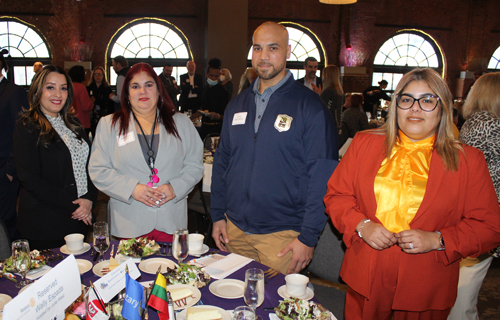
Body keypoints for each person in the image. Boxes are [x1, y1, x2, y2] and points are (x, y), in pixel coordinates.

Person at [324, 68, 500, 319]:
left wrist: (438, 240)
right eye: (407, 99)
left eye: (428, 100)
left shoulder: (468, 160)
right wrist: (362, 226)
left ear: (443, 108)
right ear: (396, 106)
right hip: (366, 276)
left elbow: (489, 227)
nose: (415, 108)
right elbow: (337, 196)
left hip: (426, 284)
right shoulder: (364, 143)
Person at [210, 22, 338, 275]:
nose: (264, 56)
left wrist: (308, 237)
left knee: (271, 311)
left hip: (282, 235)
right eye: (258, 48)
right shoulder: (237, 105)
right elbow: (222, 162)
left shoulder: (310, 107)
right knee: (231, 305)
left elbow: (322, 177)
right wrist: (217, 216)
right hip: (233, 230)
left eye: (273, 48)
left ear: (288, 51)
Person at [89, 63, 203, 242]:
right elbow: (98, 170)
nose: (142, 91)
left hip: (171, 221)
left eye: (149, 85)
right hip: (129, 222)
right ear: (126, 94)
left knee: (169, 270)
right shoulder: (109, 125)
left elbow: (195, 165)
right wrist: (131, 189)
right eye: (135, 86)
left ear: (159, 91)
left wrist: (175, 187)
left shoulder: (181, 123)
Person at [13, 65, 98, 250]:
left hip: (79, 219)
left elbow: (91, 166)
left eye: (63, 88)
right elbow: (31, 180)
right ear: (37, 90)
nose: (57, 94)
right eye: (50, 87)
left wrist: (90, 199)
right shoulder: (27, 125)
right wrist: (76, 207)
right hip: (46, 222)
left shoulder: (74, 123)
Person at [448, 72, 500, 320]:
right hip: (481, 216)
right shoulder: (489, 123)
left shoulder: (473, 121)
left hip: (475, 215)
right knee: (462, 298)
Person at [0, 49, 29, 241]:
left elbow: (23, 133)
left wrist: (10, 170)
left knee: (5, 222)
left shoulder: (14, 92)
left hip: (4, 170)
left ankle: (11, 266)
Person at [194, 58, 229, 139]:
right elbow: (202, 108)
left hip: (217, 129)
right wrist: (189, 118)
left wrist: (218, 116)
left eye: (216, 76)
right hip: (204, 128)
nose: (213, 78)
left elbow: (227, 115)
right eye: (211, 75)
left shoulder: (223, 92)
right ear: (207, 74)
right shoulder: (205, 89)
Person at [87, 66, 113, 137]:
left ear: (103, 76)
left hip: (103, 114)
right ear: (93, 75)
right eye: (96, 74)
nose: (98, 76)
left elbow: (109, 103)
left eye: (100, 74)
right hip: (92, 115)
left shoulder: (107, 88)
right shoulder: (89, 88)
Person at [68, 65, 94, 135]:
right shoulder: (81, 87)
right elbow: (86, 106)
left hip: (69, 120)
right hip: (81, 121)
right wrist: (92, 102)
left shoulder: (67, 86)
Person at [320, 65, 344, 137]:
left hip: (327, 125)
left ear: (327, 75)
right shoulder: (339, 92)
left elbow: (324, 110)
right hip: (336, 124)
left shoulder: (328, 91)